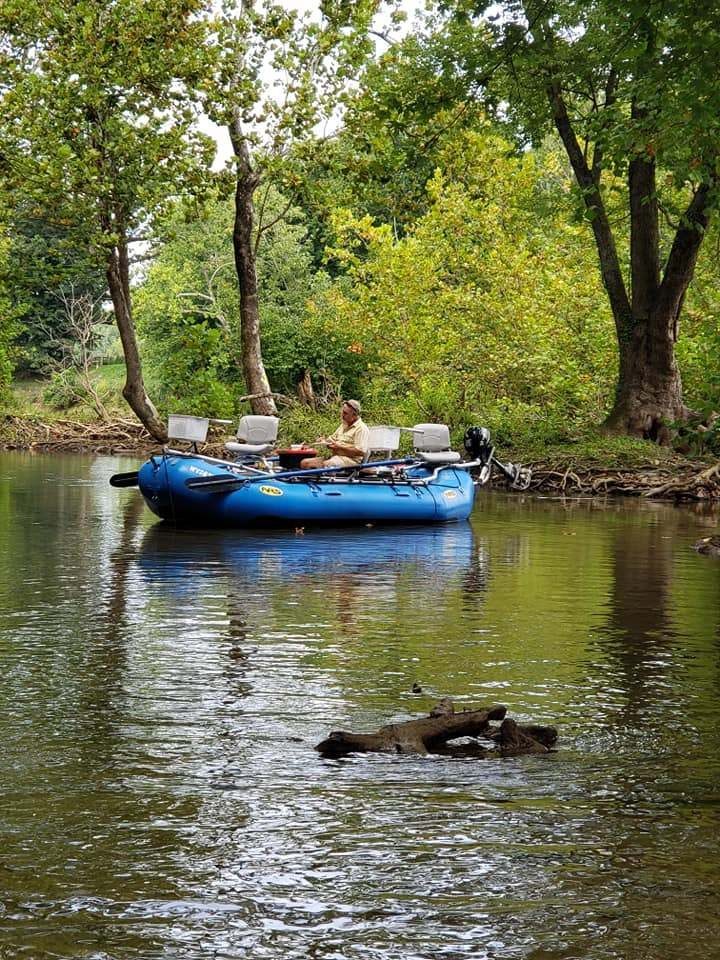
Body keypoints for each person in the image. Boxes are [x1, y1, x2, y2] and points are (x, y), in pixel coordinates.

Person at [300, 400, 369, 469]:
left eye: (345, 413)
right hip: (335, 457)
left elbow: (361, 452)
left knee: (327, 464)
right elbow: (331, 440)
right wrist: (323, 441)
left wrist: (340, 447)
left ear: (354, 415)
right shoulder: (344, 425)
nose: (342, 415)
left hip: (351, 460)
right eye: (342, 412)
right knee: (305, 463)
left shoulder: (361, 428)